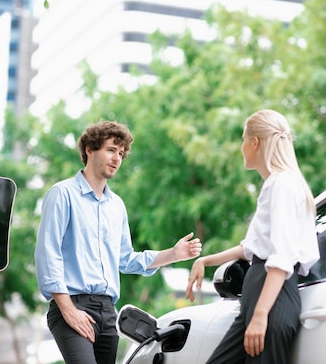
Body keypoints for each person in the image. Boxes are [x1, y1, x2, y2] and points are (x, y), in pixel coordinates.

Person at [35, 120, 202, 364]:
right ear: (90, 150)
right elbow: (48, 255)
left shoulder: (117, 206)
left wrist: (173, 254)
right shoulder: (63, 194)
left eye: (121, 153)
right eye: (111, 150)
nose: (117, 158)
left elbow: (125, 259)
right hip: (73, 304)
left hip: (108, 313)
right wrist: (68, 309)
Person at [185, 109, 320, 364]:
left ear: (255, 142)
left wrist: (260, 315)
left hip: (270, 301)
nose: (241, 147)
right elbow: (252, 248)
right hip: (259, 299)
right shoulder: (277, 184)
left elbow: (281, 258)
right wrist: (205, 260)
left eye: (243, 139)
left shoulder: (282, 184)